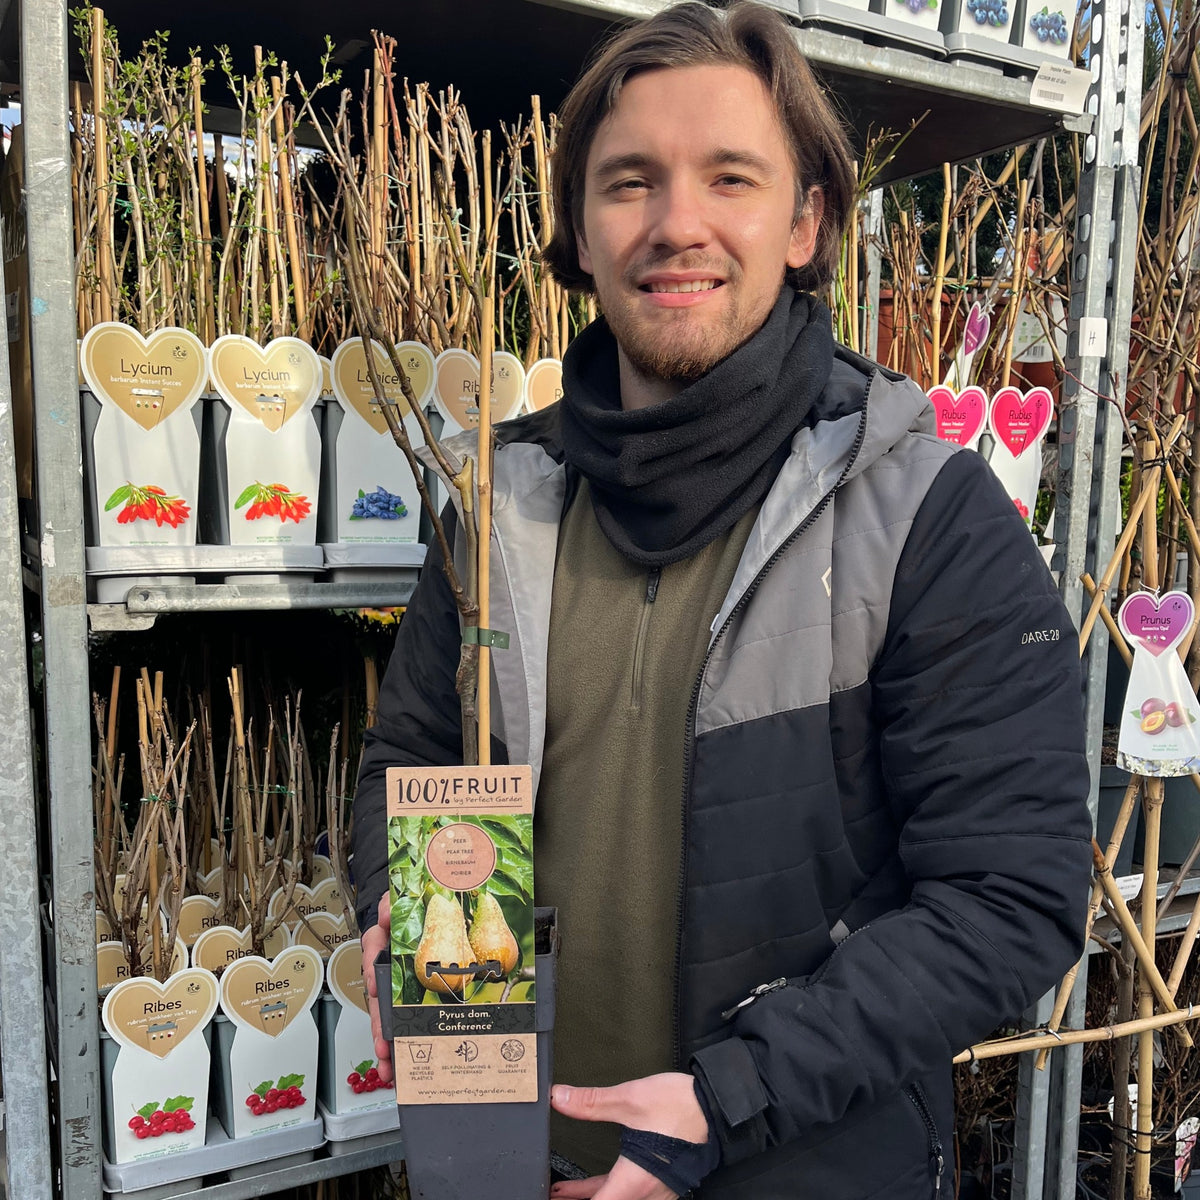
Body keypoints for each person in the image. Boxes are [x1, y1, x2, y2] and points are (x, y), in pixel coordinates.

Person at [353, 4, 1093, 1197]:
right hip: (510, 1165)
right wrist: (401, 897)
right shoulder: (500, 511)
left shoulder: (926, 518)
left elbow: (1012, 896)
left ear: (806, 221)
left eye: (730, 178)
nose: (677, 224)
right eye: (629, 183)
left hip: (790, 1162)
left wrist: (728, 1100)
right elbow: (411, 757)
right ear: (578, 234)